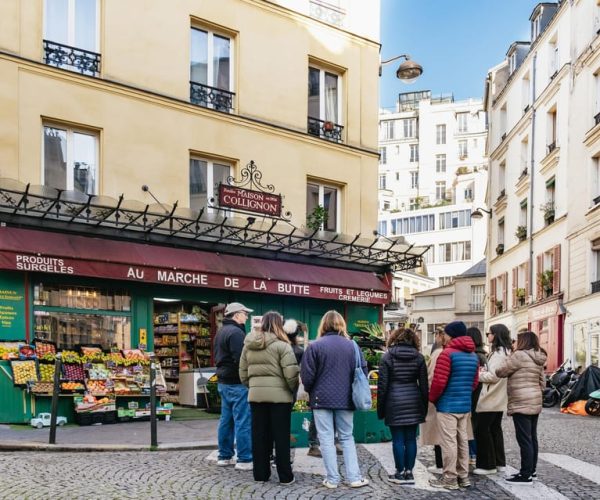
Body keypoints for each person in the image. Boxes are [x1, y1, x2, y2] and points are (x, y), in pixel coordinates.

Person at [300, 310, 370, 489]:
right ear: (342, 325)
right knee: (347, 437)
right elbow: (362, 370)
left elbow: (307, 376)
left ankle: (332, 479)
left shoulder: (314, 346)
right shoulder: (353, 346)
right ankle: (354, 477)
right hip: (346, 399)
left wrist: (311, 390)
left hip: (321, 398)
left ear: (323, 325)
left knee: (325, 439)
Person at [239, 311, 299, 484]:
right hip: (280, 398)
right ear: (279, 325)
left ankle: (260, 474)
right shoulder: (283, 346)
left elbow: (242, 373)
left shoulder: (248, 345)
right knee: (281, 437)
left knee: (259, 436)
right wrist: (290, 390)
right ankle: (285, 476)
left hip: (256, 397)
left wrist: (253, 387)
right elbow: (291, 374)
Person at [428, 321, 479, 491]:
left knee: (449, 442)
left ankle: (449, 478)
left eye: (447, 333)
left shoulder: (447, 354)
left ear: (451, 335)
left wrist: (433, 398)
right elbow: (474, 383)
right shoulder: (473, 356)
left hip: (447, 405)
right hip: (464, 405)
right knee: (462, 441)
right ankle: (463, 476)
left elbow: (438, 382)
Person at [377, 328, 428, 485]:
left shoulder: (387, 357)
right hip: (413, 400)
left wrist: (381, 409)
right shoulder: (419, 358)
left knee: (398, 439)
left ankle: (399, 472)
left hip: (394, 401)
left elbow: (382, 386)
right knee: (411, 439)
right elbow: (424, 386)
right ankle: (409, 472)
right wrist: (423, 408)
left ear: (394, 338)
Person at [496, 331, 547, 484]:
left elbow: (500, 372)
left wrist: (507, 358)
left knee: (524, 439)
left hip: (521, 401)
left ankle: (525, 475)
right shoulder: (539, 357)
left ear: (523, 341)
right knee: (532, 437)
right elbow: (542, 383)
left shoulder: (518, 356)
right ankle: (532, 471)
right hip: (534, 400)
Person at [214, 302, 254, 470]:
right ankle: (244, 459)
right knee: (243, 421)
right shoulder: (237, 333)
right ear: (237, 315)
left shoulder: (221, 332)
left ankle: (224, 456)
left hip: (223, 381)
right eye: (245, 314)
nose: (246, 317)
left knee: (226, 420)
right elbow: (241, 360)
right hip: (237, 382)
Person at [473, 324, 511, 475]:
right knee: (495, 429)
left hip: (491, 396)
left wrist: (478, 375)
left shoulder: (498, 354)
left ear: (495, 335)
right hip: (498, 396)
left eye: (489, 333)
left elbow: (493, 376)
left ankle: (487, 465)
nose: (487, 336)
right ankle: (499, 462)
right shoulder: (506, 352)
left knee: (483, 430)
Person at [421, 326, 446, 474]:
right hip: (456, 400)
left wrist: (429, 395)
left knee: (438, 433)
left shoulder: (438, 353)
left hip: (439, 399)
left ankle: (440, 464)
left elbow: (432, 378)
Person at [466, 326, 487, 466]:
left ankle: (473, 454)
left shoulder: (474, 356)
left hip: (474, 394)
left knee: (471, 426)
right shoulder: (483, 355)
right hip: (482, 395)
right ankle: (475, 453)